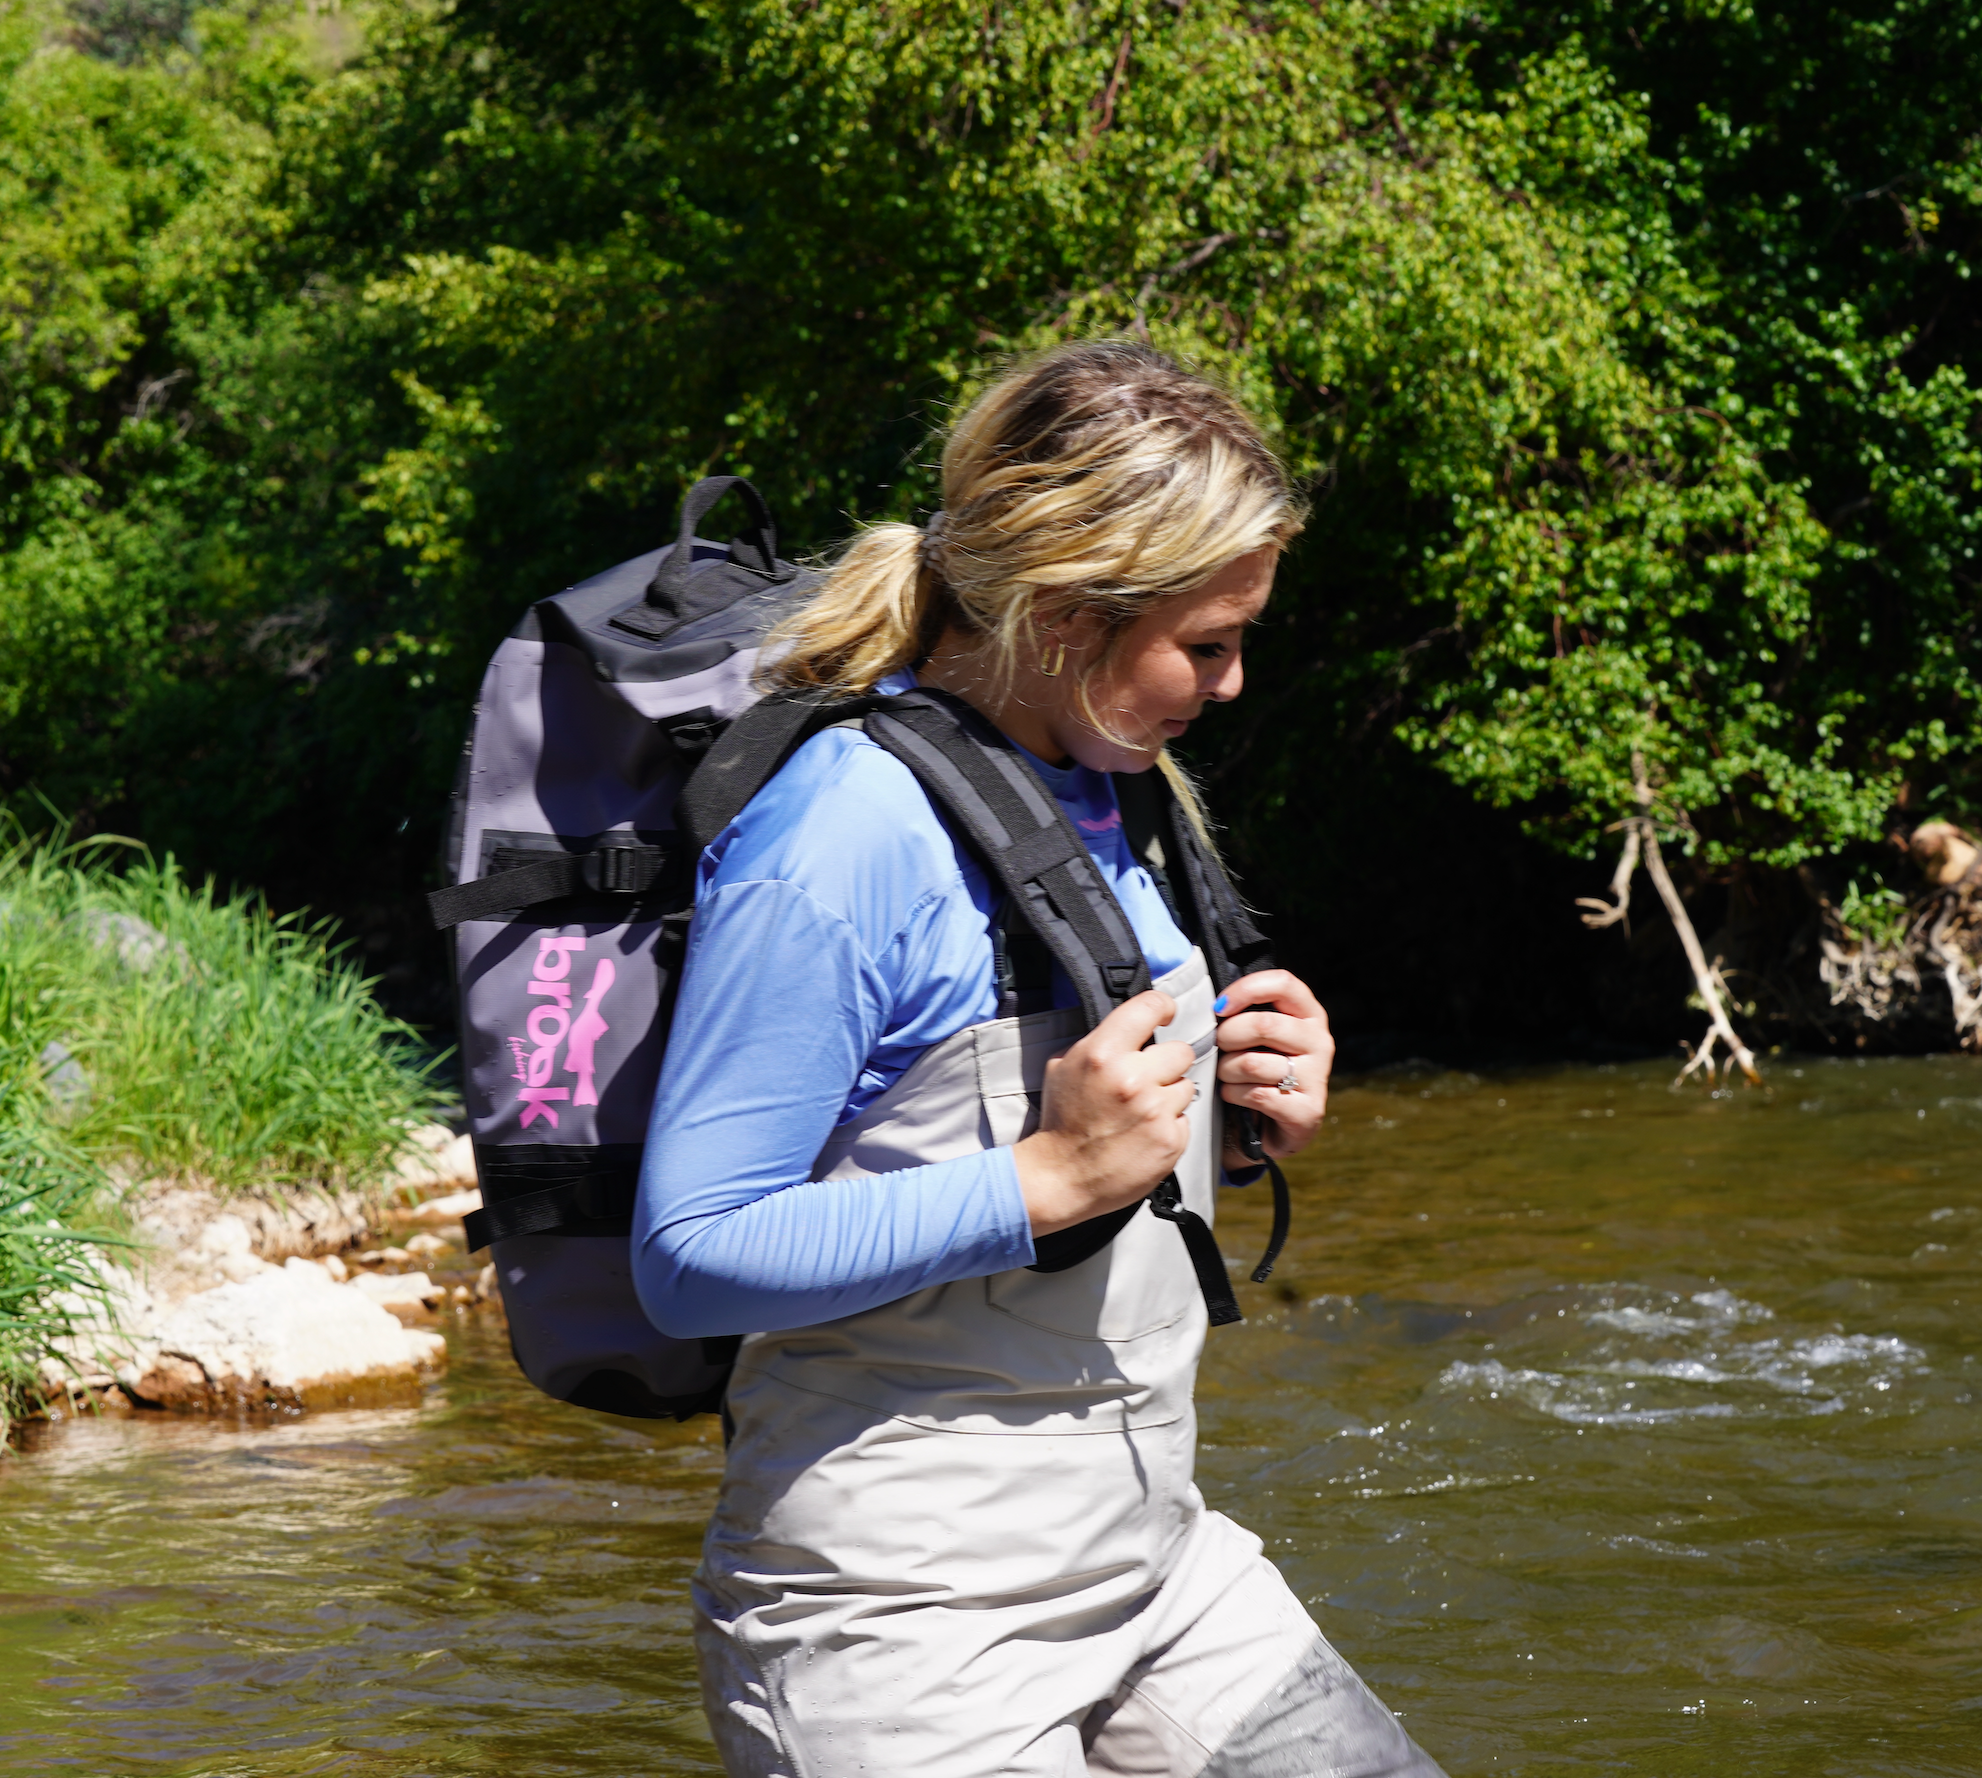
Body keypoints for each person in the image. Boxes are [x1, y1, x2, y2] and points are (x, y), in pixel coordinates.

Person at [632, 341, 1446, 1777]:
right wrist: (1048, 1174)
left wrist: (1237, 1119)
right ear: (1066, 612)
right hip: (896, 1627)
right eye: (1206, 642)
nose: (1234, 680)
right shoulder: (839, 833)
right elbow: (689, 1250)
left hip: (1152, 1563)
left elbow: (1047, 1134)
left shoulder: (1112, 780)